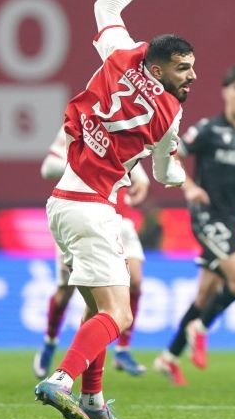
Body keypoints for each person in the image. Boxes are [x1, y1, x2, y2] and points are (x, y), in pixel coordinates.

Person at [33, 0, 194, 419]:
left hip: (61, 202)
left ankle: (94, 398)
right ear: (161, 68)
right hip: (93, 210)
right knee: (119, 314)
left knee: (95, 308)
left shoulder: (121, 53)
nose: (191, 77)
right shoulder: (170, 116)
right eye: (183, 69)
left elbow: (107, 3)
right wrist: (177, 164)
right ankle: (60, 379)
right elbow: (166, 176)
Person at [153, 66, 235, 385]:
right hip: (206, 216)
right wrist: (189, 188)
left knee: (204, 295)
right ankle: (199, 328)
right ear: (225, 92)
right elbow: (172, 154)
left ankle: (168, 357)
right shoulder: (208, 130)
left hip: (233, 223)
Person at [33, 127, 149, 380]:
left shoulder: (128, 124)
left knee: (135, 281)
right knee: (67, 291)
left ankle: (123, 349)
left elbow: (131, 164)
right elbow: (48, 168)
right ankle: (50, 343)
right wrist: (86, 164)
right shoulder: (82, 125)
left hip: (118, 217)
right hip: (82, 213)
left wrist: (141, 178)